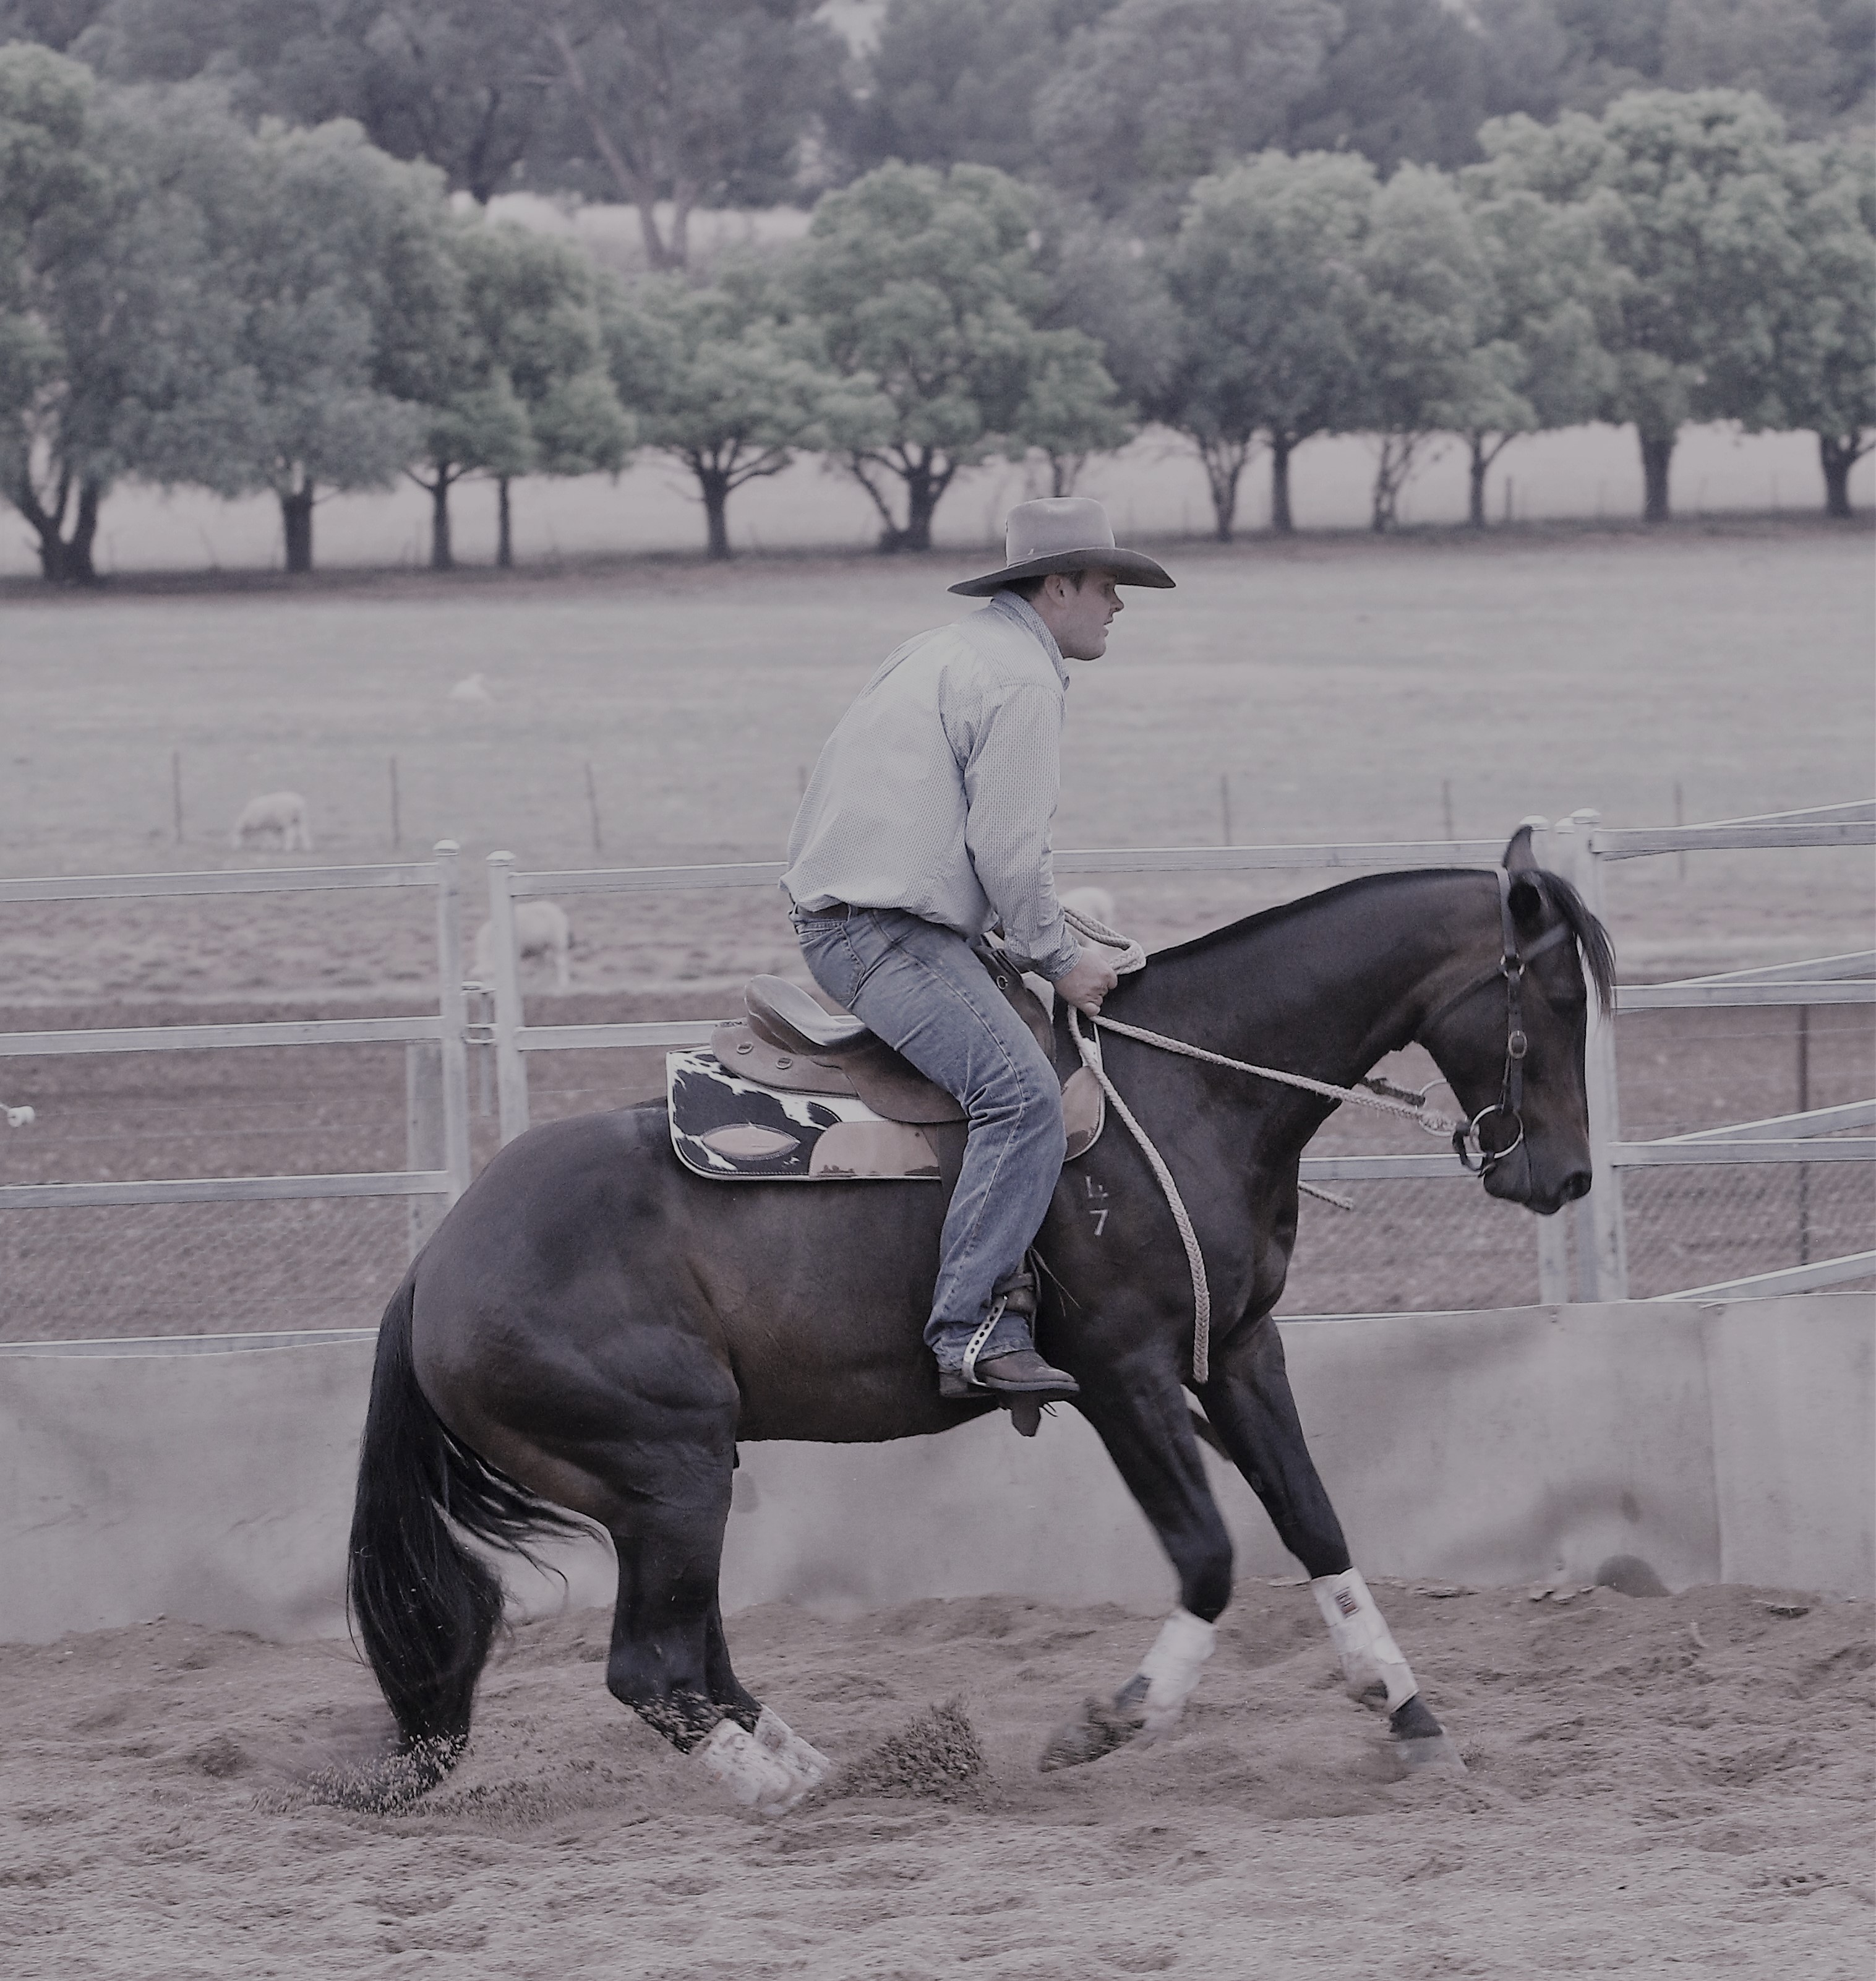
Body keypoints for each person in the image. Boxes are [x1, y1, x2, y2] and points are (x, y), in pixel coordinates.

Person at [781, 497, 1174, 1401]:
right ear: (1058, 586)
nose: (1118, 604)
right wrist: (1059, 957)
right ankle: (970, 1330)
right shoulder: (1021, 679)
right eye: (1107, 585)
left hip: (868, 915)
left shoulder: (942, 650)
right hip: (882, 932)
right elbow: (1009, 851)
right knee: (1022, 1097)